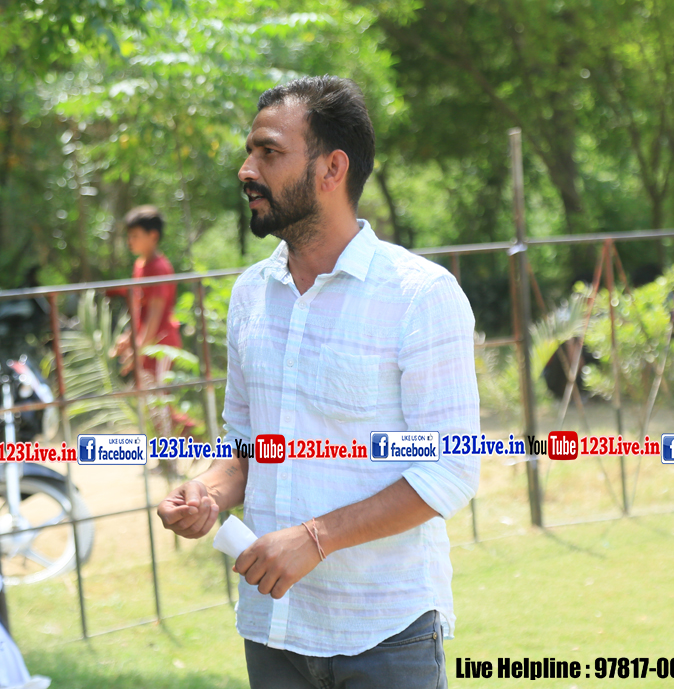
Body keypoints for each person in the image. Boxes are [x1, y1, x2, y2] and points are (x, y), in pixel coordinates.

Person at [157, 76, 480, 688]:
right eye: (250, 152)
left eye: (269, 152)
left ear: (333, 168)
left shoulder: (420, 295)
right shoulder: (251, 294)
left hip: (386, 635)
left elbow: (450, 469)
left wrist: (314, 539)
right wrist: (207, 493)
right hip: (273, 630)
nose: (247, 170)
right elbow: (246, 449)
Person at [110, 205, 182, 380]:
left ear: (153, 236)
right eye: (129, 236)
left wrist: (139, 351)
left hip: (160, 346)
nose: (130, 241)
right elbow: (140, 311)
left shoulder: (159, 268)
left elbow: (154, 316)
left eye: (135, 236)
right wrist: (129, 337)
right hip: (146, 343)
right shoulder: (139, 265)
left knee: (158, 395)